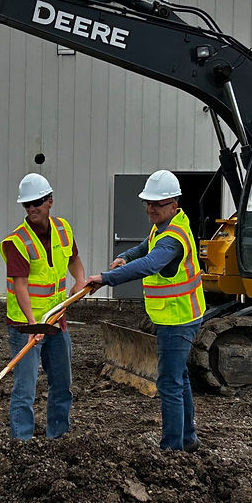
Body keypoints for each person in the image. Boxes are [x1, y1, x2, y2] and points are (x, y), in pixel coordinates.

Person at [86, 170, 204, 452]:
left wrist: (107, 278)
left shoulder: (172, 239)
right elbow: (145, 247)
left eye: (157, 204)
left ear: (174, 203)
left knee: (169, 382)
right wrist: (126, 256)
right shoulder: (165, 226)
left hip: (179, 317)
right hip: (173, 315)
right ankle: (187, 439)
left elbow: (151, 263)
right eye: (147, 203)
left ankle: (172, 448)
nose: (150, 209)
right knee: (179, 377)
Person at [0, 173, 86, 440]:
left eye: (37, 202)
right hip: (26, 326)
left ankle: (57, 438)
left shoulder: (63, 229)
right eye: (27, 205)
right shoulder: (17, 241)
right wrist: (32, 325)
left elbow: (74, 259)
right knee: (25, 390)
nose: (32, 208)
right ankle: (21, 445)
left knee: (62, 383)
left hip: (56, 321)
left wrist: (80, 280)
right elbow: (20, 286)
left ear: (50, 201)